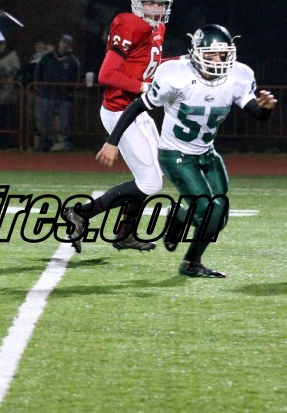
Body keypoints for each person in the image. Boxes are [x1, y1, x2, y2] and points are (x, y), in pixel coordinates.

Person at [96, 24, 276, 277]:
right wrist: (113, 141)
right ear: (196, 53)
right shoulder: (175, 74)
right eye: (211, 54)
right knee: (211, 212)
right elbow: (137, 106)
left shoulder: (239, 75)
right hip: (175, 154)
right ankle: (191, 263)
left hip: (207, 152)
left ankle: (179, 216)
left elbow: (257, 114)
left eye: (223, 54)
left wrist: (265, 108)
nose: (218, 60)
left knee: (219, 216)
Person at [62, 0, 173, 252]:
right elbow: (106, 74)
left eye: (161, 4)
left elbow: (148, 64)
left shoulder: (158, 28)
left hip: (138, 110)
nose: (156, 9)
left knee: (150, 178)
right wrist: (144, 88)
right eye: (150, 3)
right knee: (151, 183)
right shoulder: (129, 24)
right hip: (119, 110)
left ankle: (125, 233)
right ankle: (81, 213)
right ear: (137, 4)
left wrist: (180, 62)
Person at [34, 34, 80, 152]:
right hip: (47, 94)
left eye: (67, 43)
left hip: (64, 96)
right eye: (63, 42)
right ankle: (47, 142)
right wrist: (39, 87)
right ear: (59, 43)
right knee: (46, 120)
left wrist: (71, 92)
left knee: (65, 121)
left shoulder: (72, 60)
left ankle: (66, 143)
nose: (65, 45)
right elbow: (39, 72)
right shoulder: (47, 58)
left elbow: (76, 78)